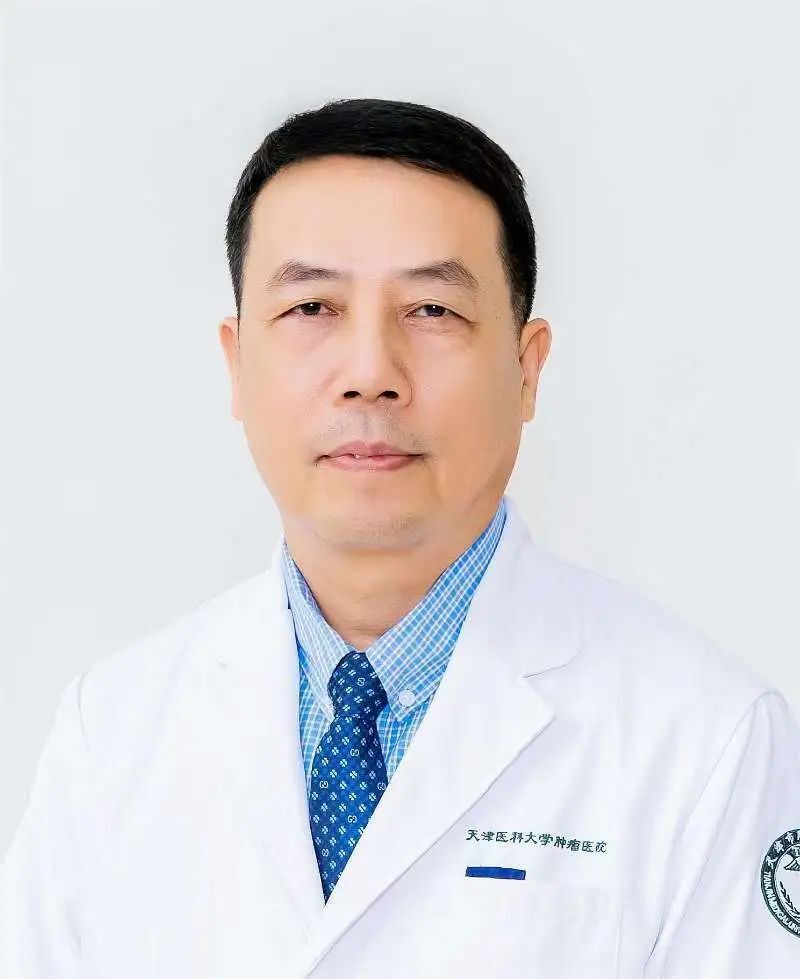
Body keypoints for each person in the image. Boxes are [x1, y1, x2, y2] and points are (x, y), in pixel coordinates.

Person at [2, 97, 799, 979]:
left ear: (527, 368)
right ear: (237, 362)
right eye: (312, 306)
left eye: (430, 310)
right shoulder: (112, 731)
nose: (370, 372)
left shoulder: (706, 738)